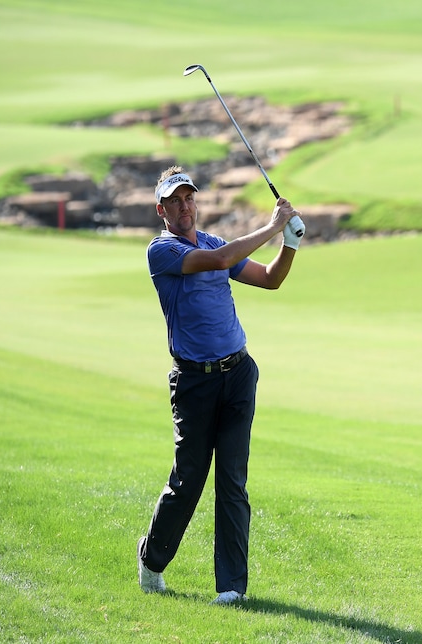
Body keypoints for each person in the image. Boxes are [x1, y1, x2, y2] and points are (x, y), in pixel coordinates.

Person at [137, 166, 305, 605]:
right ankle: (152, 560)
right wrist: (272, 224)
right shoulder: (162, 252)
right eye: (175, 201)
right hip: (194, 383)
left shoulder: (214, 242)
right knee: (188, 480)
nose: (184, 206)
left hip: (238, 375)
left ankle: (231, 589)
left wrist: (290, 243)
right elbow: (220, 262)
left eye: (189, 197)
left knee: (232, 480)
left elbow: (270, 278)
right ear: (162, 210)